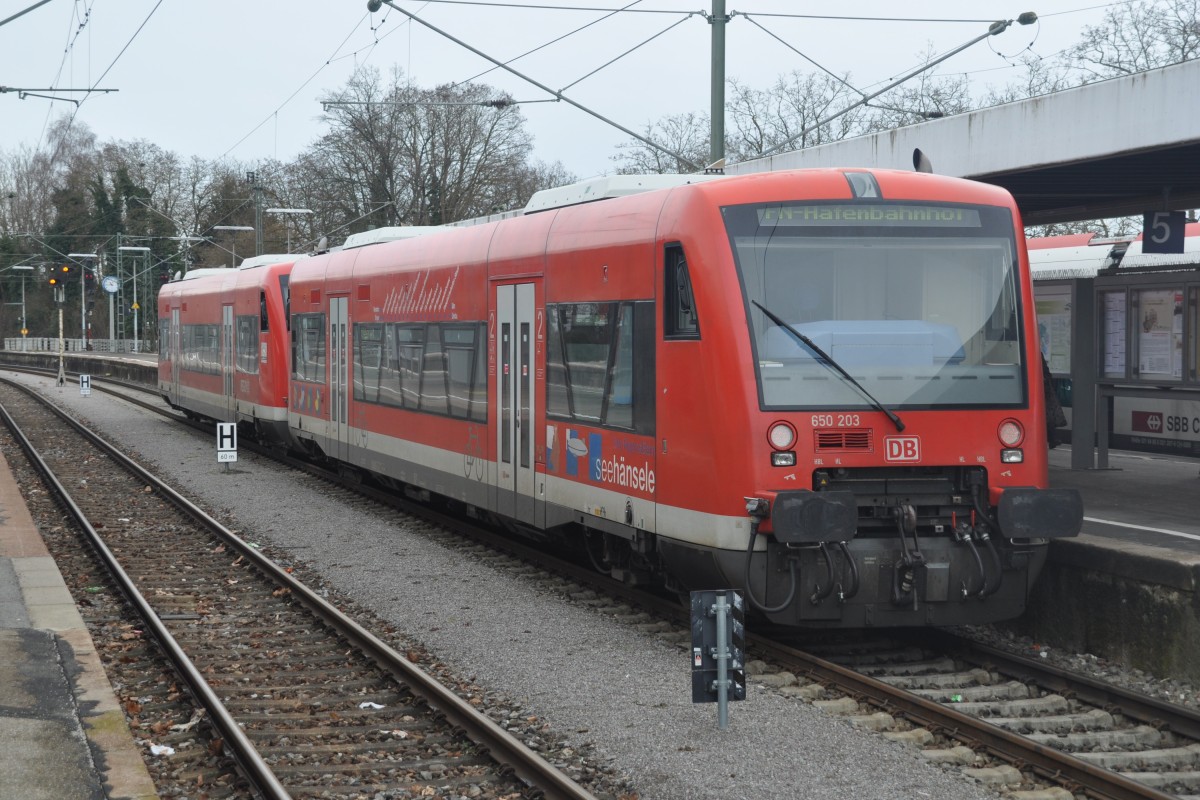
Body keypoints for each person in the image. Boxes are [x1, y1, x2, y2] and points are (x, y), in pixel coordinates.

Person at [1042, 353, 1067, 448]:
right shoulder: (1037, 353)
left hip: (1041, 390)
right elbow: (1046, 371)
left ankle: (1052, 438)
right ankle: (1052, 438)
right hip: (1043, 390)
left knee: (1047, 415)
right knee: (1048, 415)